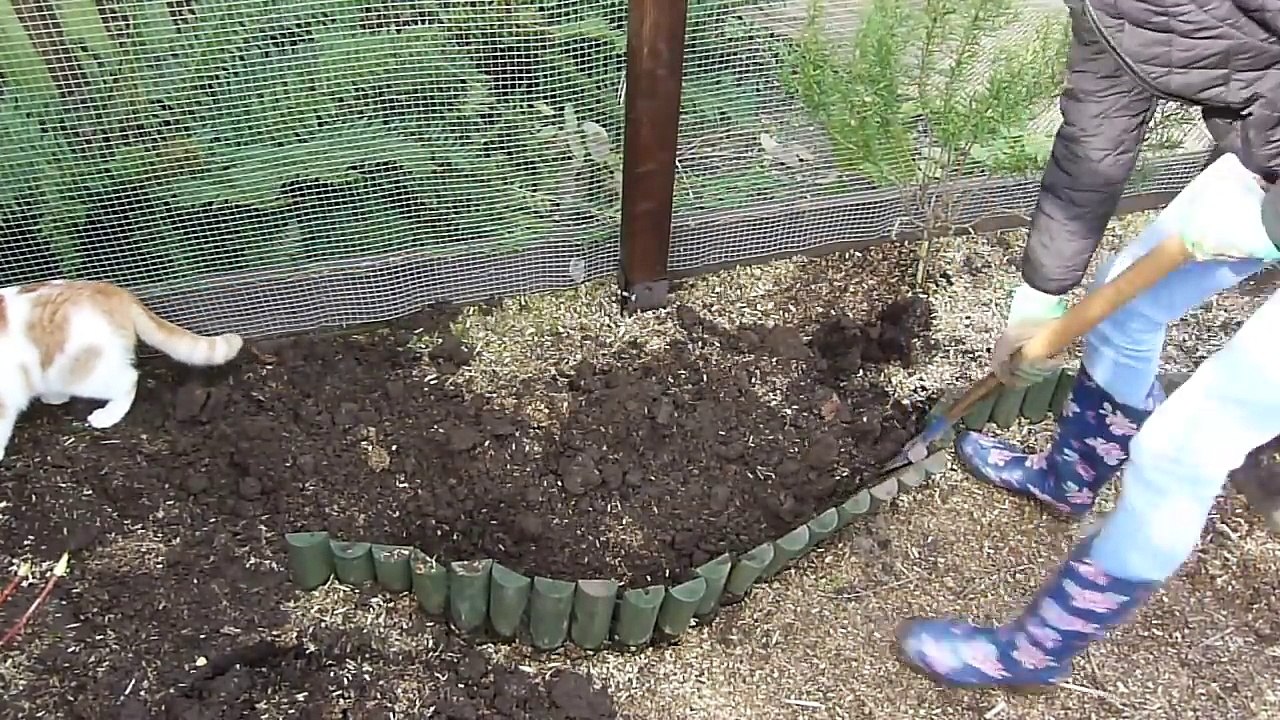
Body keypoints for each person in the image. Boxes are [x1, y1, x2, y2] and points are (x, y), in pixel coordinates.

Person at [893, 0, 1280, 690]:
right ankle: (1070, 478)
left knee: (1182, 449)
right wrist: (1039, 302)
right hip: (1267, 156)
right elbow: (1094, 140)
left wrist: (1269, 222)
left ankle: (1038, 653)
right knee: (1121, 307)